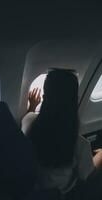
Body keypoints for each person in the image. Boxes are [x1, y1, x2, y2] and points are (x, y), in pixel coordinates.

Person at [21, 68, 102, 199]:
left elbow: (27, 118)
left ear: (44, 97)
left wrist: (32, 106)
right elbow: (87, 175)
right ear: (74, 101)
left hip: (34, 191)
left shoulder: (29, 122)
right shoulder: (79, 143)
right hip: (60, 195)